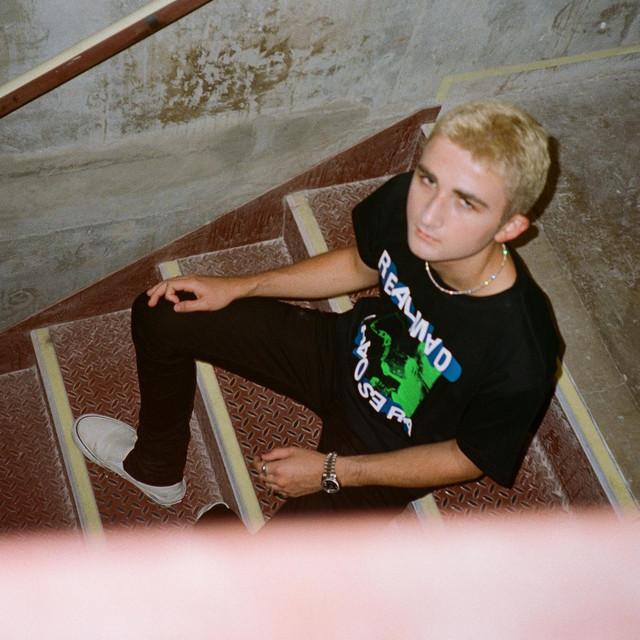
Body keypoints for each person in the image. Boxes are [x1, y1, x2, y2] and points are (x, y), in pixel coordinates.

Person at [73, 100, 559, 524]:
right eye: (428, 179)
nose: (428, 215)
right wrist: (242, 286)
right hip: (344, 351)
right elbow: (360, 264)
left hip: (399, 440)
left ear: (510, 227)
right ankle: (156, 467)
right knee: (166, 310)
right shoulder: (405, 202)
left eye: (466, 203)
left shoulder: (522, 348)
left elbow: (468, 457)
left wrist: (332, 471)